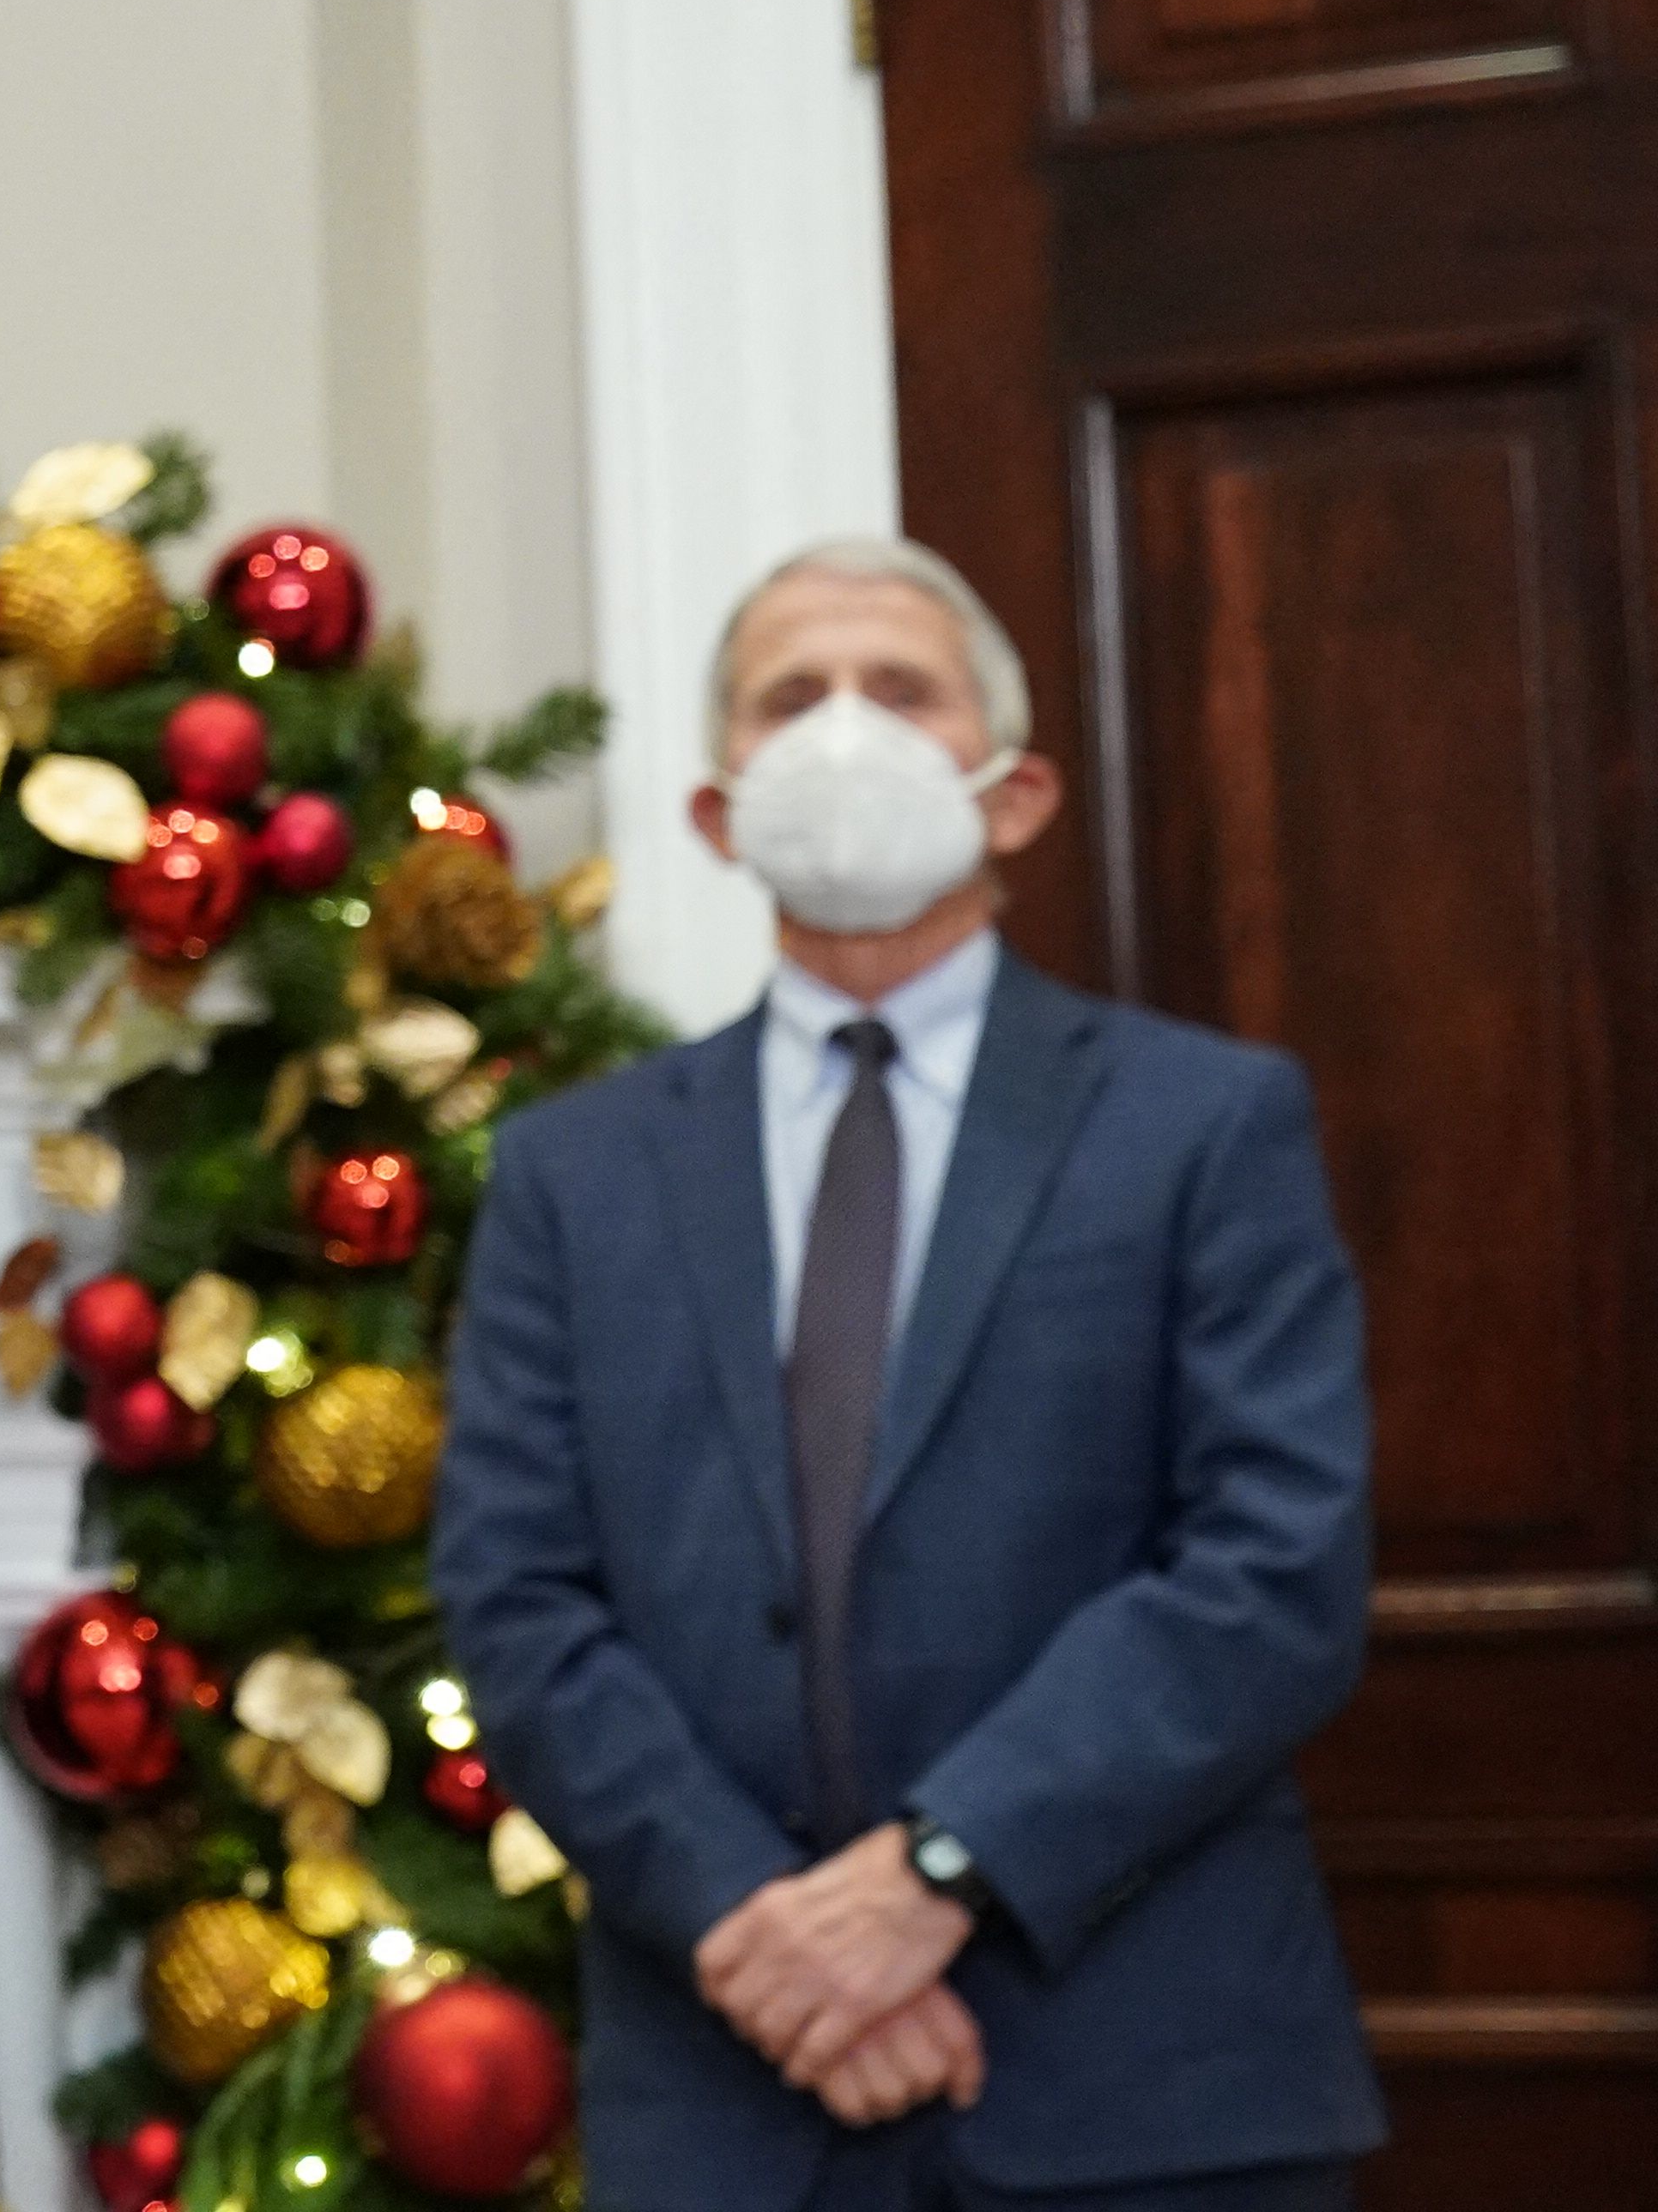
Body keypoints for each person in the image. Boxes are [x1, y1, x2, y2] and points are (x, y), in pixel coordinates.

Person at [430, 537, 1380, 2209]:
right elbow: (517, 1594)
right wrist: (764, 1929)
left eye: (902, 688)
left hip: (1149, 2096)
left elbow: (1270, 1567)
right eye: (792, 697)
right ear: (720, 811)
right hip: (730, 2096)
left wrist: (945, 1868)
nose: (845, 727)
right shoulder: (572, 1172)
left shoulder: (1205, 1122)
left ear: (1014, 796)